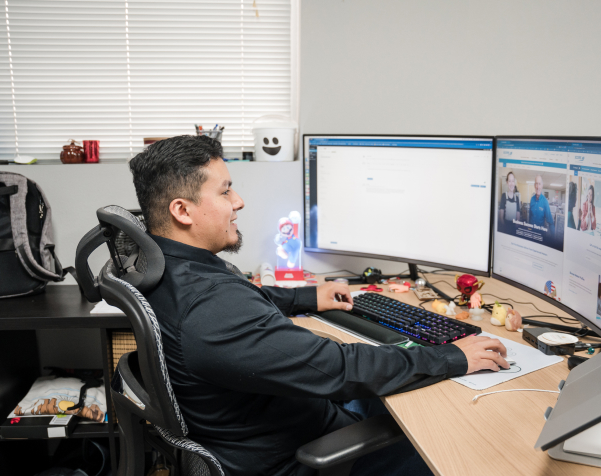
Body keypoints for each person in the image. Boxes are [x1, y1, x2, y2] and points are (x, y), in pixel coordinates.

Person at [128, 135, 509, 476]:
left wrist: (307, 297)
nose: (239, 201)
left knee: (411, 396)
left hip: (275, 422)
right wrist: (451, 357)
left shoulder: (166, 269)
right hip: (297, 455)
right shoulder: (210, 309)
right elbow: (335, 368)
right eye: (226, 191)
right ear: (182, 210)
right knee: (455, 440)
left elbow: (239, 304)